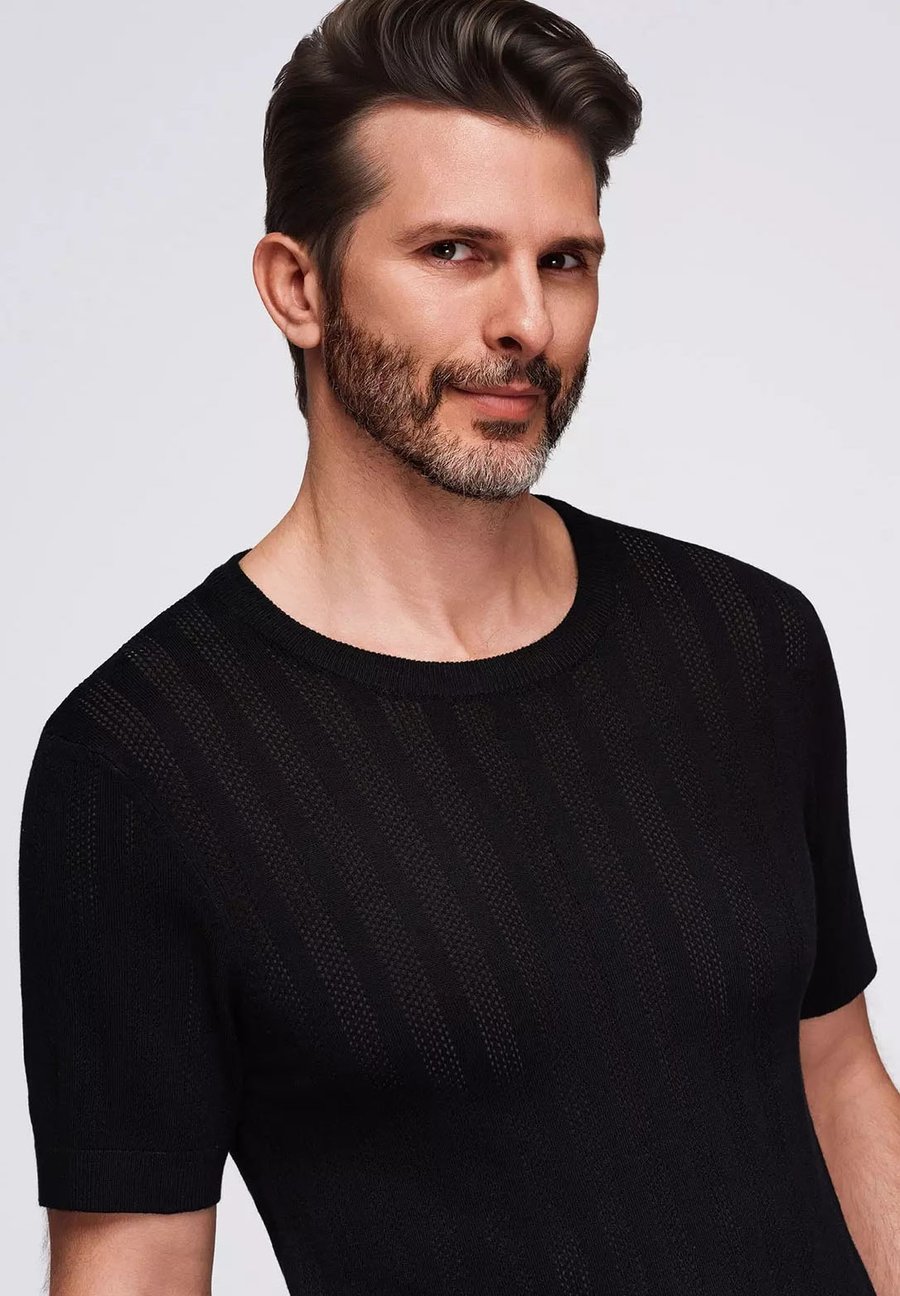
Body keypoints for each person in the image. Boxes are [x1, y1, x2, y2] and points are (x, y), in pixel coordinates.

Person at [18, 0, 898, 1292]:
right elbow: (135, 1266)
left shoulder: (748, 643)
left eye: (564, 261)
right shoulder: (139, 767)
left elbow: (839, 1082)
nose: (527, 323)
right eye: (454, 251)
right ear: (298, 287)